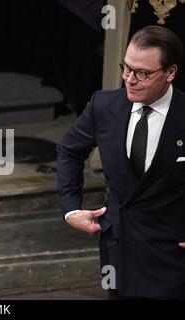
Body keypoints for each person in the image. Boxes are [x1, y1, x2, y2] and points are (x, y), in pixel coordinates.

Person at [57, 25, 185, 299]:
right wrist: (70, 208)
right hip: (118, 256)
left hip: (174, 259)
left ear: (170, 73)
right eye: (126, 68)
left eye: (143, 73)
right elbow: (69, 150)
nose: (130, 79)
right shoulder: (103, 106)